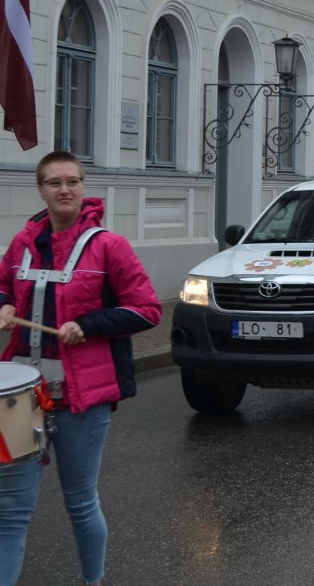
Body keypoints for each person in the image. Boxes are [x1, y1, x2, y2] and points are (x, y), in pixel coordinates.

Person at [0, 151, 163, 586]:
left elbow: (147, 310)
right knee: (10, 511)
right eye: (54, 183)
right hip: (21, 397)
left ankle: (92, 581)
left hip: (82, 395)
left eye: (72, 181)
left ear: (83, 186)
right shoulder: (22, 244)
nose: (64, 190)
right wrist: (4, 305)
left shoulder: (109, 245)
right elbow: (2, 286)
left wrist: (87, 325)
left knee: (80, 501)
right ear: (41, 190)